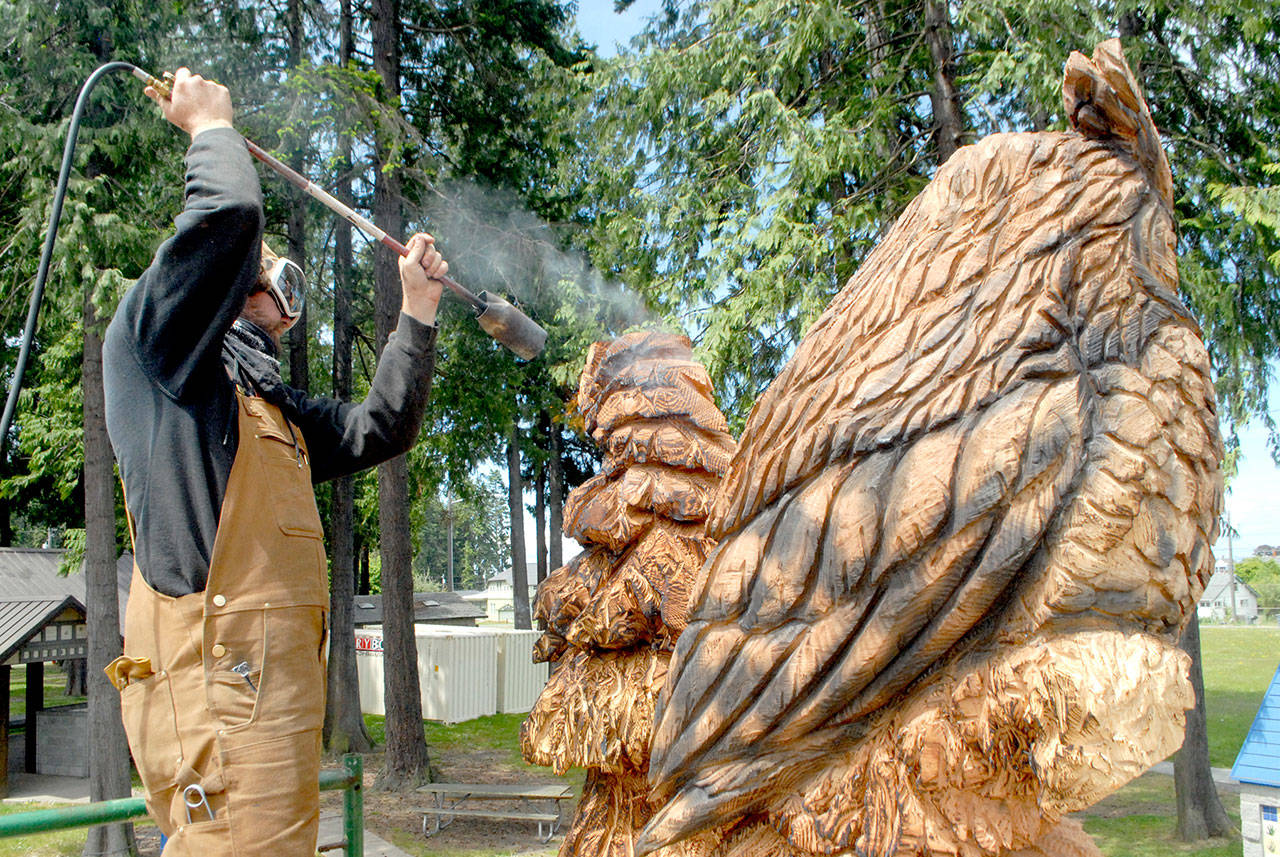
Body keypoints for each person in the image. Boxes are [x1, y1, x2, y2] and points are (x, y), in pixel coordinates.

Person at [102, 68, 447, 856]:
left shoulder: (267, 407)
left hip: (272, 736)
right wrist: (211, 126)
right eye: (269, 275)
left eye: (292, 289)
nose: (283, 302)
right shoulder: (163, 351)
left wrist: (417, 314)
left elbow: (378, 428)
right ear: (229, 281)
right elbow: (228, 211)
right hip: (218, 721)